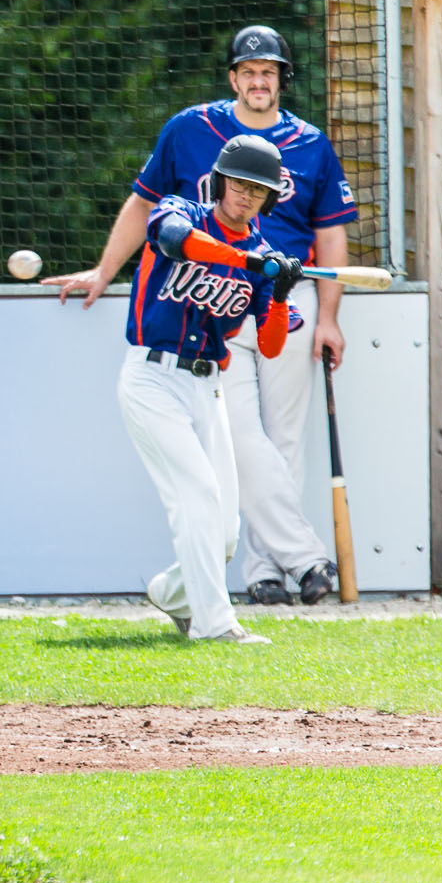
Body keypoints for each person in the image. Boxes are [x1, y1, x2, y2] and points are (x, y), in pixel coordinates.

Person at [46, 25, 358, 605]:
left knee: (286, 438)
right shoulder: (190, 128)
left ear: (282, 80)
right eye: (249, 71)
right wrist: (105, 270)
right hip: (213, 298)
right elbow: (146, 206)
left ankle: (265, 572)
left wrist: (328, 316)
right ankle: (305, 557)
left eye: (270, 72)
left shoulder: (310, 142)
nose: (259, 80)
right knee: (240, 435)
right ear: (234, 78)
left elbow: (330, 231)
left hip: (284, 294)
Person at [115, 136, 302, 643]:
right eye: (238, 184)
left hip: (208, 386)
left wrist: (279, 294)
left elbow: (271, 346)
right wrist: (248, 262)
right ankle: (215, 626)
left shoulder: (265, 258)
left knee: (224, 533)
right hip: (153, 378)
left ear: (269, 198)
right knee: (197, 495)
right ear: (220, 182)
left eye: (257, 190)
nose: (246, 196)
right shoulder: (183, 211)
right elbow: (174, 239)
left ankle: (171, 593)